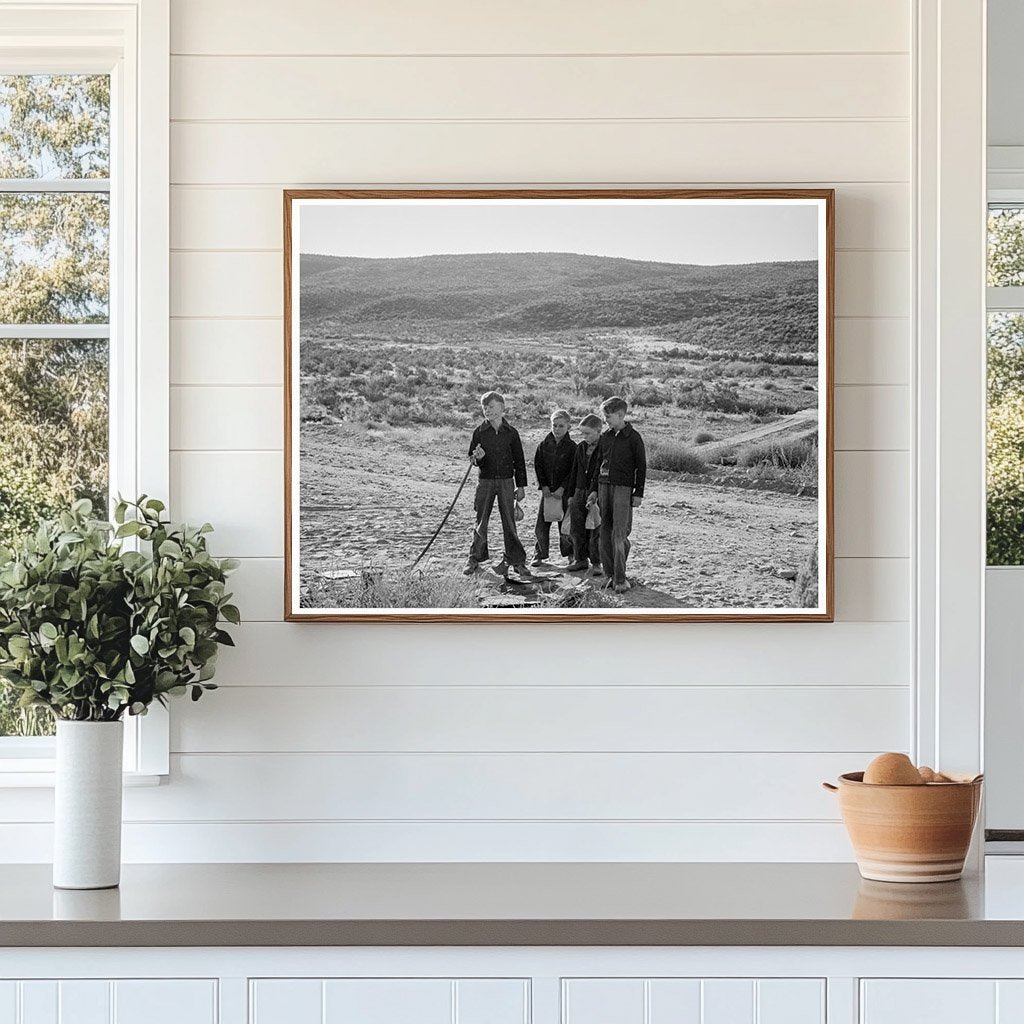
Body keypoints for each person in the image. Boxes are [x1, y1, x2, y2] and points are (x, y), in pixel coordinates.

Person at [464, 391, 528, 577]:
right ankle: (474, 559)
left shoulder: (512, 433)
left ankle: (516, 561)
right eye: (484, 407)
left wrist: (521, 486)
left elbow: (519, 461)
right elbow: (472, 458)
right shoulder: (479, 432)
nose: (487, 410)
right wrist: (478, 459)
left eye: (491, 406)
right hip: (485, 481)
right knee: (481, 521)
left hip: (507, 482)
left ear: (502, 408)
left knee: (509, 522)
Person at [588, 396, 646, 594]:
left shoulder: (634, 437)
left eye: (608, 417)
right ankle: (610, 575)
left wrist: (638, 493)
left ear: (621, 415)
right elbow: (597, 464)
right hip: (604, 487)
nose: (605, 420)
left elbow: (641, 467)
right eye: (604, 417)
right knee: (604, 533)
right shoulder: (605, 437)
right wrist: (593, 490)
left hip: (623, 489)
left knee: (619, 534)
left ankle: (621, 579)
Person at [531, 409, 577, 567]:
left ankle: (571, 554)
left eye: (561, 426)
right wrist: (543, 486)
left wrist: (563, 488)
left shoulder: (572, 447)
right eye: (554, 425)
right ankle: (539, 554)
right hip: (547, 492)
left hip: (563, 493)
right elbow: (538, 466)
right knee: (542, 524)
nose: (557, 429)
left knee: (565, 525)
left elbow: (573, 470)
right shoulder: (543, 445)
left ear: (568, 427)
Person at [566, 414, 604, 574]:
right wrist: (571, 494)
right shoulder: (581, 447)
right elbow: (574, 471)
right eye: (583, 433)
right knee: (576, 526)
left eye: (588, 433)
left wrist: (595, 490)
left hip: (595, 491)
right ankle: (580, 559)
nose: (585, 437)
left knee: (595, 528)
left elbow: (599, 471)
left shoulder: (605, 446)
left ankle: (596, 562)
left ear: (598, 430)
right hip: (579, 490)